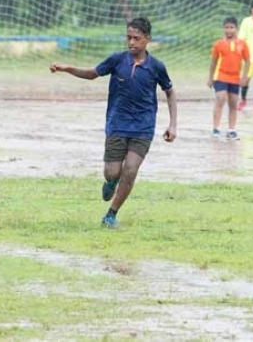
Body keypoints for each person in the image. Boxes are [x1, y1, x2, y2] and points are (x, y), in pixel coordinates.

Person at [50, 17, 177, 228]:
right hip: (117, 124)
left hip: (143, 128)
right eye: (128, 37)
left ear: (147, 39)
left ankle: (111, 215)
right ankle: (111, 182)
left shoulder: (156, 67)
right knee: (113, 172)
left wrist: (173, 124)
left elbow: (170, 93)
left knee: (131, 169)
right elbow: (92, 74)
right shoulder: (117, 60)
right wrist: (66, 68)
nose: (131, 42)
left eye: (136, 38)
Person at [207, 17, 250, 139]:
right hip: (221, 76)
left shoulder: (242, 44)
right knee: (220, 98)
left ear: (236, 29)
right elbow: (213, 62)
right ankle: (215, 128)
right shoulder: (219, 44)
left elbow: (247, 61)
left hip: (235, 78)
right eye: (226, 27)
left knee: (233, 103)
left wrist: (244, 77)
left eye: (231, 27)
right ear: (223, 28)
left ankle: (231, 129)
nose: (229, 30)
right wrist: (210, 77)